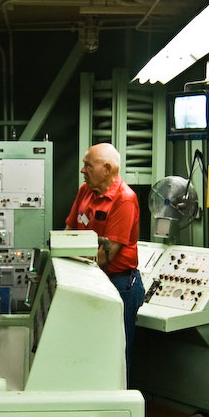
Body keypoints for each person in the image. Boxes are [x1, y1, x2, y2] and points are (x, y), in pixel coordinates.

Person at [65, 143, 145, 376]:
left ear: (107, 169)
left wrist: (69, 267)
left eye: (88, 166)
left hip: (117, 284)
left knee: (115, 352)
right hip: (87, 278)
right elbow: (69, 232)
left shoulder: (125, 199)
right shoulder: (85, 191)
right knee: (89, 349)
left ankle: (118, 397)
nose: (83, 170)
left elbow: (106, 256)